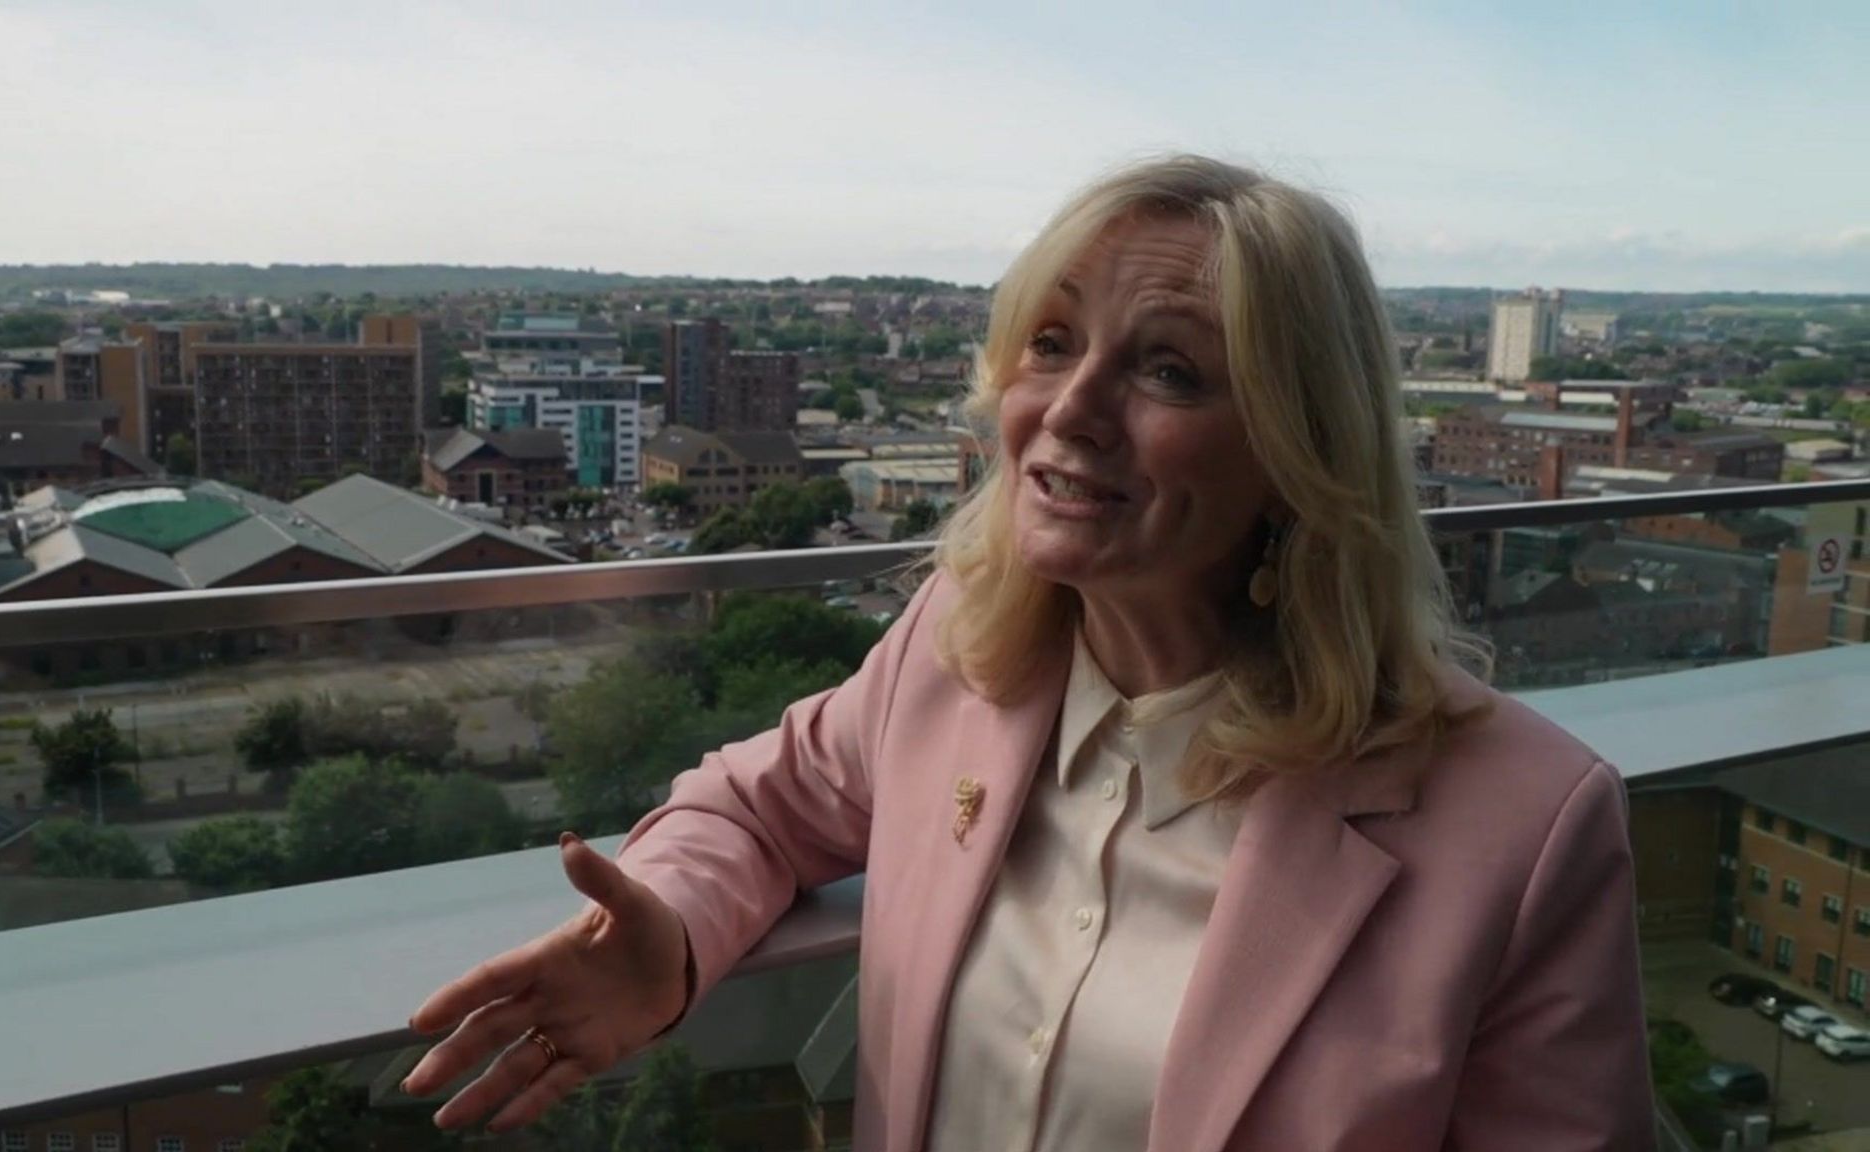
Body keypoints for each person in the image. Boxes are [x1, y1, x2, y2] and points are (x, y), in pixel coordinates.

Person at [404, 154, 1653, 1150]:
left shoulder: (1525, 831)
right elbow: (758, 807)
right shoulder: (957, 649)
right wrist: (669, 932)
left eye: (1166, 370)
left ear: (1297, 450)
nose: (1066, 409)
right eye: (1050, 344)